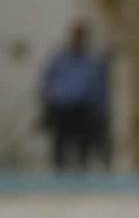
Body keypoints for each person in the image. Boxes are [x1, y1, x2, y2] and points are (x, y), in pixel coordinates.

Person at [40, 20, 109, 170]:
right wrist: (47, 104)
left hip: (83, 110)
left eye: (81, 35)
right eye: (76, 35)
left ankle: (81, 181)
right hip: (62, 109)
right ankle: (58, 178)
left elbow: (101, 87)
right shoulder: (59, 59)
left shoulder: (93, 60)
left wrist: (101, 110)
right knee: (60, 150)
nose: (78, 39)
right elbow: (47, 81)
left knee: (83, 151)